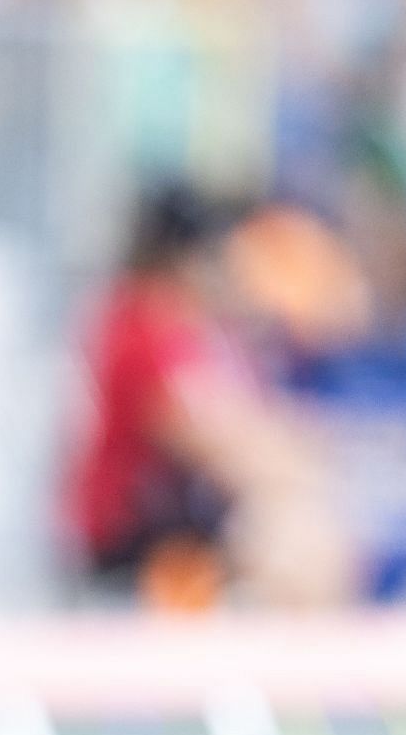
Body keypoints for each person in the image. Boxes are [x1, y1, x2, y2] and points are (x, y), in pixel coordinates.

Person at [65, 186, 359, 608]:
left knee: (300, 520)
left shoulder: (192, 328)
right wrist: (300, 467)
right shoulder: (141, 324)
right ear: (188, 260)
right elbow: (214, 441)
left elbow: (244, 425)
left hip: (178, 527)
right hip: (138, 541)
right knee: (293, 535)